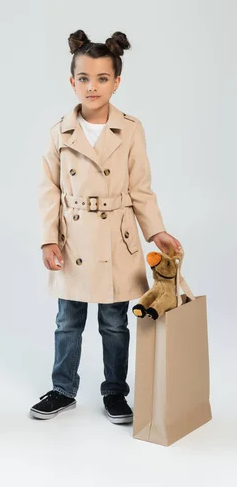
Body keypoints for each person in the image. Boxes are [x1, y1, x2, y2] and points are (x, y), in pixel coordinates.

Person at [29, 29, 182, 423]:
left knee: (114, 324)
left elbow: (140, 187)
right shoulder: (59, 131)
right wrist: (48, 239)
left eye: (101, 78)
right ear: (72, 81)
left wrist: (156, 231)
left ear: (116, 82)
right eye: (84, 78)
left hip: (118, 237)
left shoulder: (131, 129)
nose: (92, 86)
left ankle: (116, 392)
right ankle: (63, 388)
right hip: (73, 240)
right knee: (68, 321)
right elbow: (49, 190)